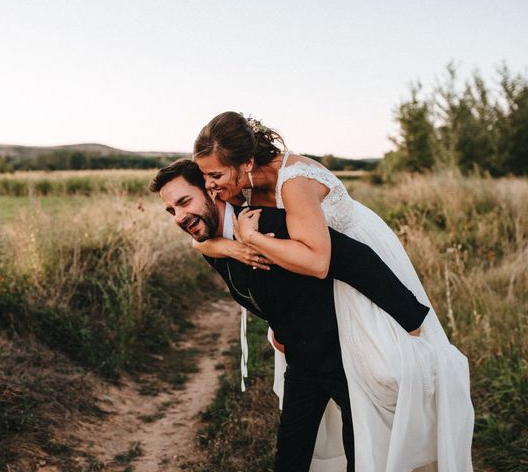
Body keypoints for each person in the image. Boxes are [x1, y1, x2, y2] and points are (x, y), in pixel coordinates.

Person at [192, 112, 474, 472]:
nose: (211, 186)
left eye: (215, 175)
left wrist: (252, 238)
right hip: (323, 287)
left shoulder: (293, 181)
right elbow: (204, 240)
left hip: (360, 272)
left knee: (384, 375)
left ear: (246, 163)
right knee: (325, 386)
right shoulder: (241, 186)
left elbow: (318, 262)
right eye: (204, 177)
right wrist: (231, 248)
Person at [149, 159, 430, 471]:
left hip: (344, 357)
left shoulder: (269, 223)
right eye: (171, 210)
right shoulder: (211, 240)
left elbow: (354, 259)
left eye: (184, 202)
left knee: (362, 455)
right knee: (290, 457)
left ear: (213, 192)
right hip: (301, 360)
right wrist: (279, 329)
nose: (180, 216)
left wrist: (412, 318)